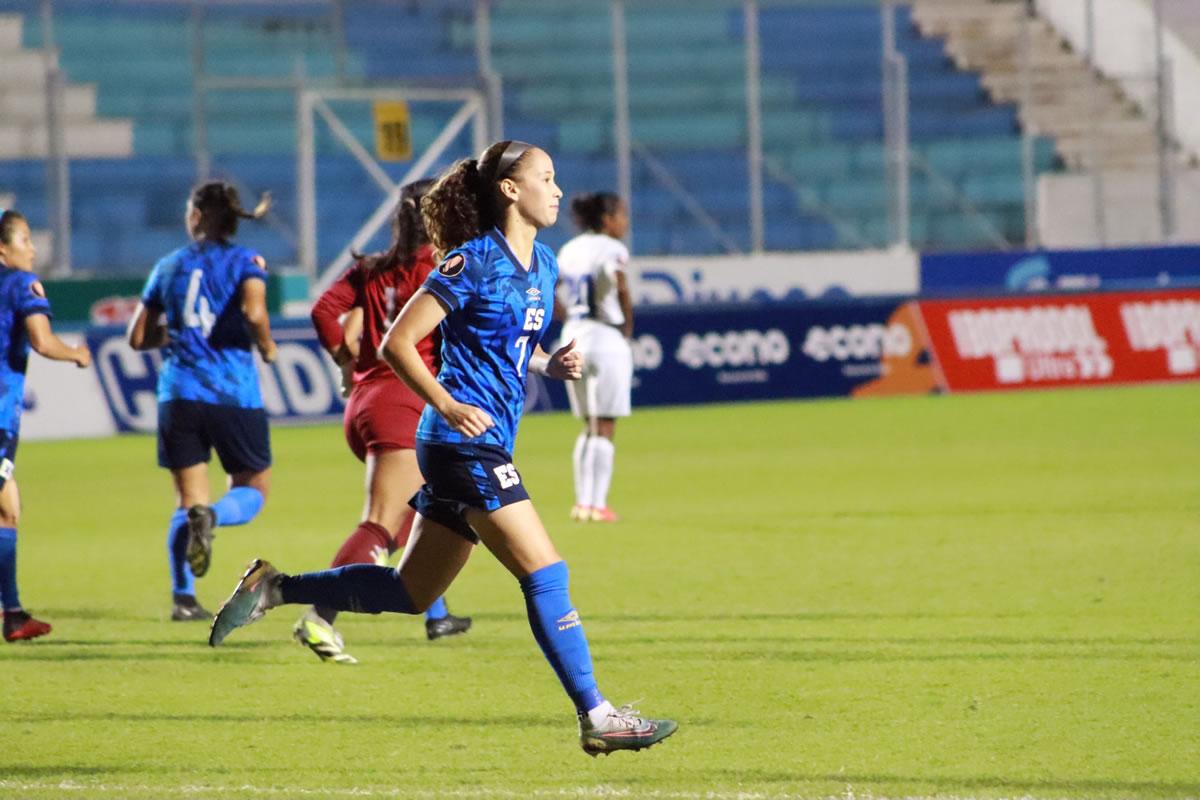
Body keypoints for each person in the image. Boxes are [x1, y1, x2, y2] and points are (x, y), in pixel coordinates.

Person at [208, 140, 678, 756]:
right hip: (461, 443)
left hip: (473, 443)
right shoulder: (471, 261)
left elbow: (510, 345)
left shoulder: (541, 263)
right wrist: (449, 403)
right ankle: (598, 715)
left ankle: (277, 587)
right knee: (546, 573)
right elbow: (398, 344)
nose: (558, 189)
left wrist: (547, 361)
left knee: (412, 594)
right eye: (546, 177)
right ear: (510, 189)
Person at [302, 179, 471, 663]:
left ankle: (436, 613)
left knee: (426, 511)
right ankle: (318, 617)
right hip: (403, 402)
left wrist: (343, 359)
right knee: (380, 524)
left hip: (367, 400)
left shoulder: (371, 268)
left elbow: (323, 311)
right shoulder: (439, 269)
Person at [126, 182, 277, 622]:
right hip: (232, 391)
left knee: (186, 499)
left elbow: (137, 337)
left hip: (179, 392)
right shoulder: (246, 260)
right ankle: (211, 516)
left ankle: (184, 598)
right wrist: (266, 346)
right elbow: (253, 313)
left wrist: (171, 335)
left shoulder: (168, 265)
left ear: (195, 215)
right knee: (253, 487)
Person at [0, 208, 92, 642]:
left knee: (7, 510)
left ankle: (14, 614)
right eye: (24, 241)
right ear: (3, 249)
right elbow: (40, 339)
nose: (32, 249)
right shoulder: (21, 285)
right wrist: (74, 353)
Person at [554, 192, 634, 523]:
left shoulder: (569, 249)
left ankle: (582, 503)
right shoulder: (613, 249)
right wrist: (626, 323)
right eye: (621, 215)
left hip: (573, 336)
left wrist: (566, 317)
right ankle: (597, 504)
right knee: (605, 424)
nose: (625, 222)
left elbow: (549, 289)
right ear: (607, 219)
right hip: (605, 336)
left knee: (588, 425)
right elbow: (620, 283)